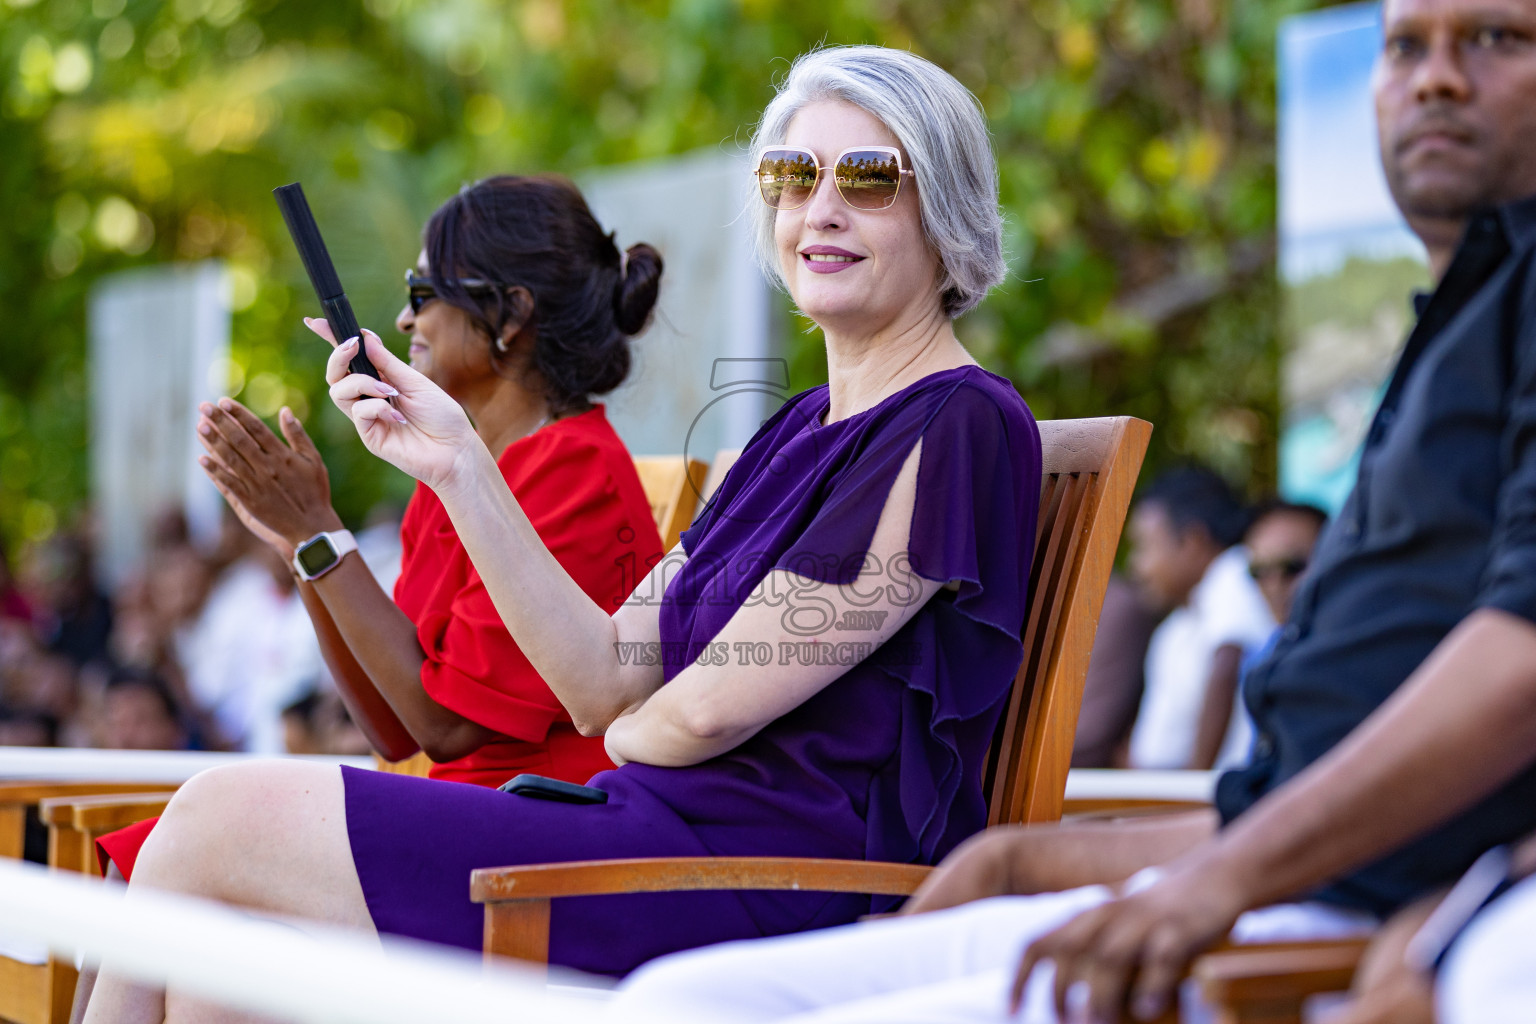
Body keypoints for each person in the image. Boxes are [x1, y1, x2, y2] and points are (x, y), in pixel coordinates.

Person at [608, 0, 1536, 1020]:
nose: (1437, 77)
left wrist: (1446, 901)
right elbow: (1274, 792)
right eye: (1405, 44)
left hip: (1308, 905)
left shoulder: (953, 416)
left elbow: (1519, 664)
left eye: (1497, 37)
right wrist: (1025, 856)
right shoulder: (1466, 319)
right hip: (1268, 867)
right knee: (672, 998)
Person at [82, 44, 1041, 1021]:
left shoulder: (957, 423)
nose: (821, 207)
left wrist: (636, 722)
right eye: (795, 176)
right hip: (646, 839)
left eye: (869, 177)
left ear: (945, 206)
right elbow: (603, 679)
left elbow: (702, 714)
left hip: (751, 883)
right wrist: (454, 459)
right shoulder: (794, 432)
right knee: (231, 957)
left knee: (213, 822)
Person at [90, 175, 669, 887]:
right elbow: (392, 729)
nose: (402, 320)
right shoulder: (452, 474)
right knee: (142, 862)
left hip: (537, 843)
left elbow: (444, 728)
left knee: (178, 848)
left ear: (511, 314)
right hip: (454, 809)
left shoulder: (574, 471)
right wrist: (299, 546)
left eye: (423, 294)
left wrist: (321, 533)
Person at [1124, 467, 1273, 771]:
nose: (1136, 566)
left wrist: (1194, 780)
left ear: (1192, 542)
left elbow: (1227, 665)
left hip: (1202, 792)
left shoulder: (1234, 572)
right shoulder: (1180, 622)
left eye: (1145, 547)